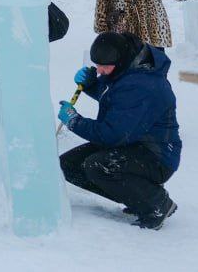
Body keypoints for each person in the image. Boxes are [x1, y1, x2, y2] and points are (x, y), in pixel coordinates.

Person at [57, 32, 181, 229]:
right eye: (97, 65)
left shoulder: (142, 84)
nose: (99, 70)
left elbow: (111, 135)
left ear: (120, 60)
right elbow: (118, 101)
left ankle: (155, 203)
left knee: (97, 166)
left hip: (157, 156)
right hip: (133, 144)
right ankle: (139, 197)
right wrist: (92, 85)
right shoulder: (128, 69)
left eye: (104, 66)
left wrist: (75, 121)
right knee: (70, 165)